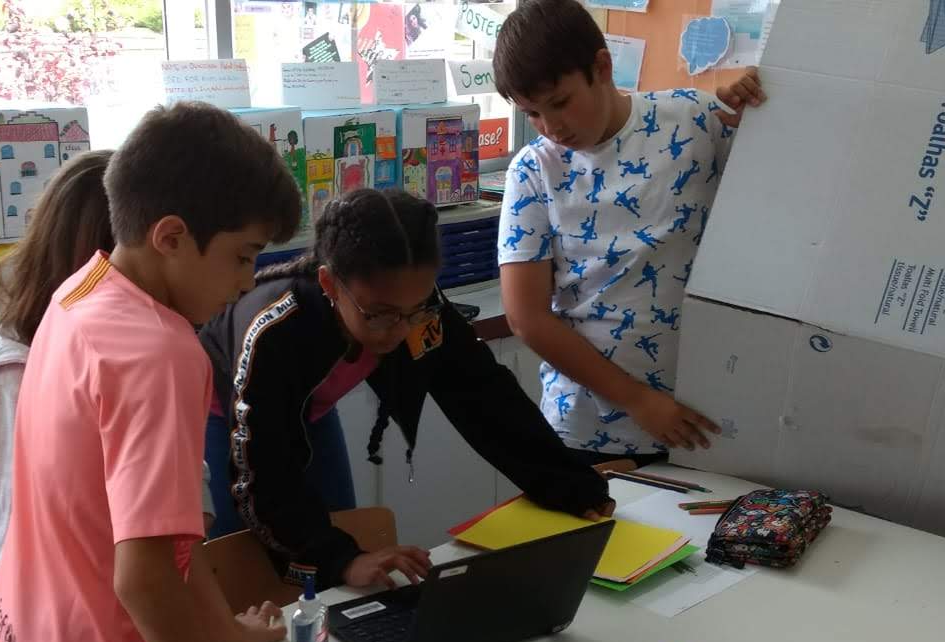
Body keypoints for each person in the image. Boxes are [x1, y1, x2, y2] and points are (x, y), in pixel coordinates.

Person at [0, 103, 351, 642]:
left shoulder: (82, 291)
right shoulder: (160, 352)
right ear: (172, 236)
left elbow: (155, 537)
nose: (247, 280)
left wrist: (223, 631)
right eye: (242, 255)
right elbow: (143, 575)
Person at [199, 188, 614, 591]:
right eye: (381, 315)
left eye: (414, 311)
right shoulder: (274, 330)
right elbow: (262, 473)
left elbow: (484, 395)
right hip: (223, 414)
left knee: (337, 535)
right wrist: (343, 560)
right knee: (255, 561)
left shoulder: (416, 303)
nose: (400, 331)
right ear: (329, 284)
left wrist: (569, 486)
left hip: (310, 408)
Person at [0, 148, 282, 642]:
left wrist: (221, 630)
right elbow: (26, 549)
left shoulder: (142, 350)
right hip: (78, 641)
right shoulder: (16, 374)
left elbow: (171, 535)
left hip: (138, 632)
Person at [492, 0, 766, 466]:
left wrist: (763, 104)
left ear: (602, 67)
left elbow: (780, 197)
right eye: (532, 113)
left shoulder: (695, 120)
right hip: (587, 430)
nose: (551, 127)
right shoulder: (533, 171)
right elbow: (526, 318)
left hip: (704, 416)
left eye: (559, 103)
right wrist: (636, 400)